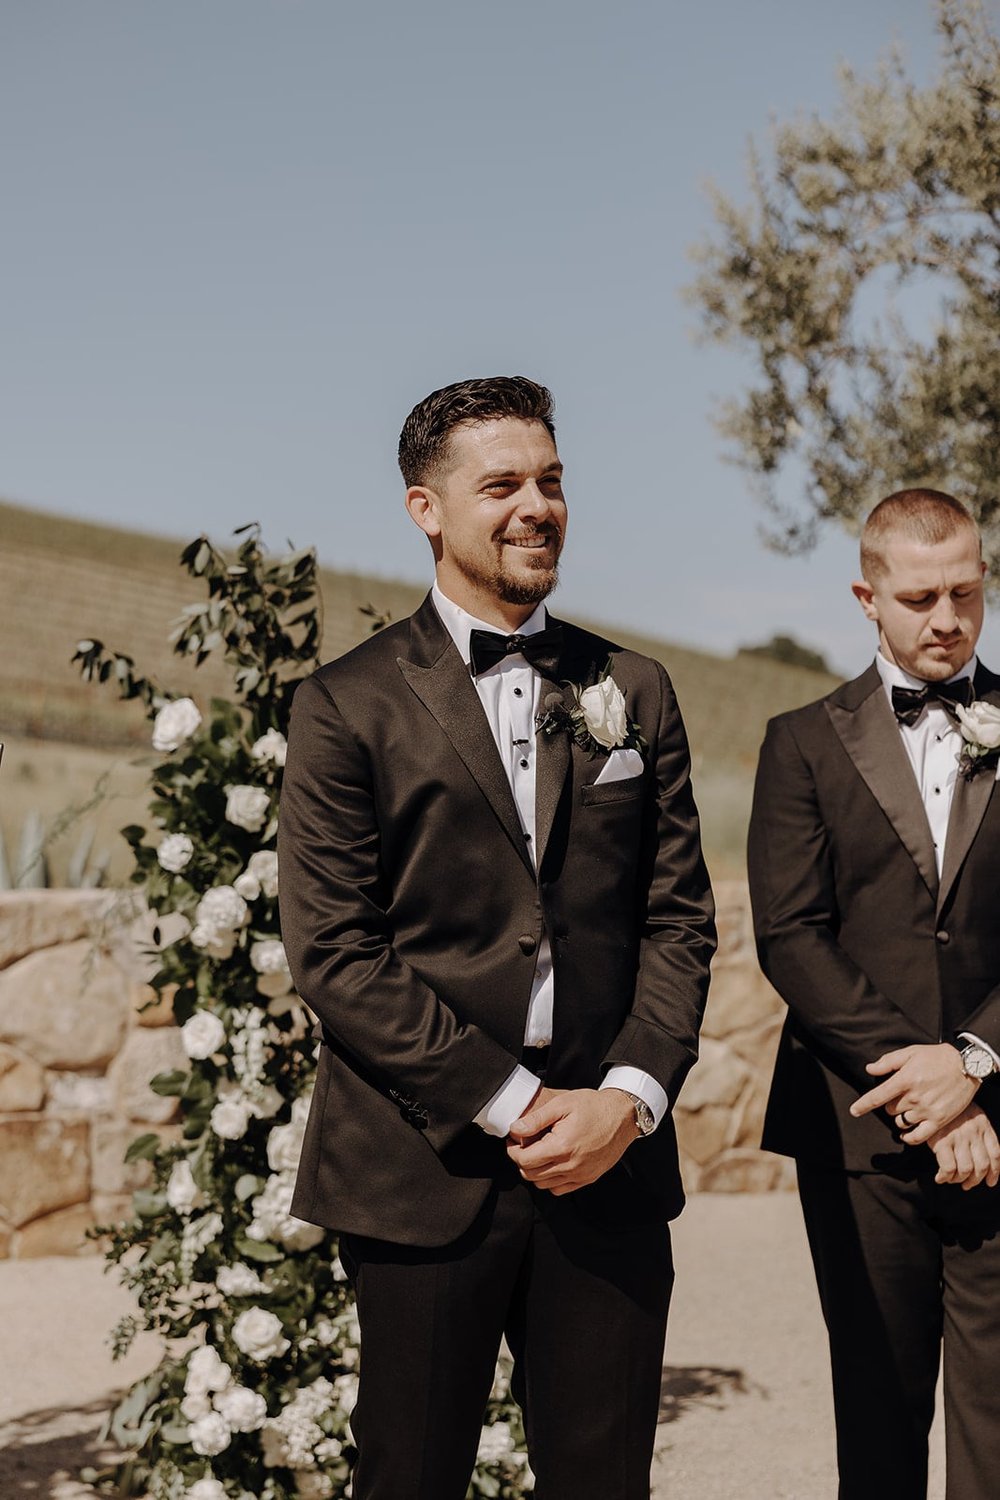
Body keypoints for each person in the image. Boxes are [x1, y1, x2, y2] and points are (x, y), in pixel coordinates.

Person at [277, 375, 715, 1500]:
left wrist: (624, 1099)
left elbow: (676, 921)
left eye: (553, 481)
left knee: (605, 1479)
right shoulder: (345, 705)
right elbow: (336, 952)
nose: (538, 506)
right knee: (411, 1478)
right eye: (504, 484)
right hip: (423, 1171)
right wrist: (518, 1106)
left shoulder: (636, 689)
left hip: (610, 1164)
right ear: (427, 510)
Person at [748, 488, 1000, 1500]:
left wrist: (974, 1061)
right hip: (855, 1128)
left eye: (966, 594)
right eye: (919, 597)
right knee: (878, 1409)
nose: (946, 619)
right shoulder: (800, 742)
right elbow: (790, 937)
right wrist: (923, 1088)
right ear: (867, 597)